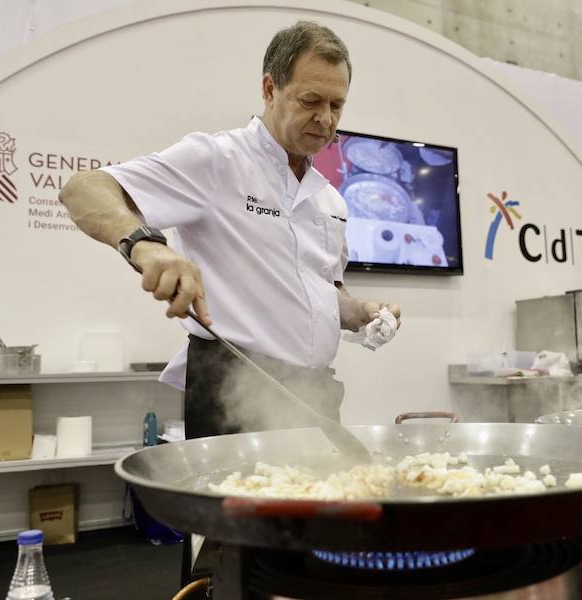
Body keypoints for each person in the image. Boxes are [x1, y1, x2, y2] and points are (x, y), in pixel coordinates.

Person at [59, 20, 401, 439]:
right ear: (270, 89)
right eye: (311, 100)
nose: (325, 119)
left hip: (315, 394)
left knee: (320, 504)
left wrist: (358, 312)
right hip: (234, 388)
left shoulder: (330, 200)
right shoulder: (218, 160)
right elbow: (83, 190)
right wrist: (147, 247)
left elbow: (325, 290)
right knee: (235, 505)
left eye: (337, 106)